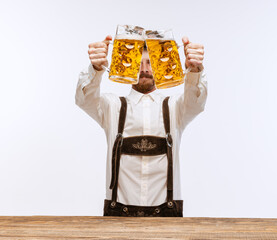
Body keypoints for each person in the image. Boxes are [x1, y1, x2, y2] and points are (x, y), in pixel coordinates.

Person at [75, 34, 207, 217]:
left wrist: (195, 70)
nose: (144, 69)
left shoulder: (175, 107)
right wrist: (95, 68)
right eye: (139, 63)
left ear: (160, 65)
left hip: (167, 223)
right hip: (118, 222)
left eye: (150, 62)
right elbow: (84, 99)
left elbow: (197, 100)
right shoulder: (112, 106)